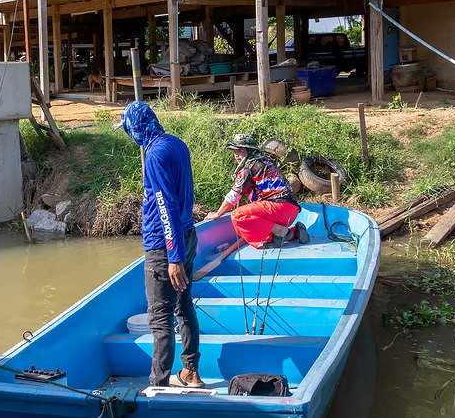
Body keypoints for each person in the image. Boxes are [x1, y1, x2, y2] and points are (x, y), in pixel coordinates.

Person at [114, 101, 203, 389]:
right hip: (187, 235)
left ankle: (159, 384)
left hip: (164, 247)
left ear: (137, 129)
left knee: (159, 317)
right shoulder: (177, 144)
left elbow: (167, 207)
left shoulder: (154, 156)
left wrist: (174, 257)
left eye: (128, 130)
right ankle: (190, 371)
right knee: (183, 305)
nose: (130, 136)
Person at [205, 134, 309, 249]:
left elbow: (234, 195)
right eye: (234, 151)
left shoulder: (249, 167)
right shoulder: (266, 161)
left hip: (278, 208)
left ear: (249, 151)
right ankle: (294, 232)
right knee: (258, 223)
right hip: (290, 210)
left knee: (238, 215)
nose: (236, 155)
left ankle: (280, 230)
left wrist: (217, 214)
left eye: (240, 150)